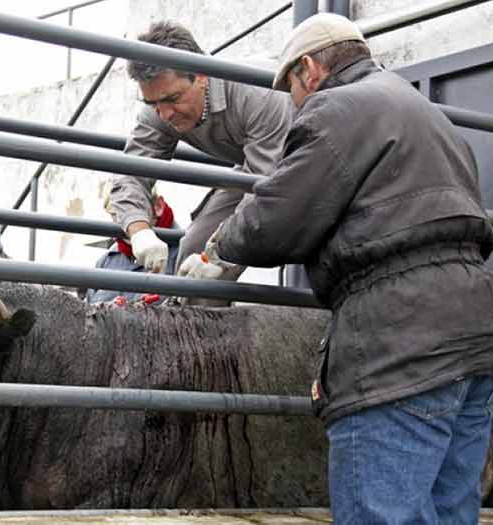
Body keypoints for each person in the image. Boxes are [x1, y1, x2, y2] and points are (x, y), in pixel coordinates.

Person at [190, 13, 493, 523]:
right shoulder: (427, 113)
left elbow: (279, 218)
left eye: (290, 90)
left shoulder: (335, 108)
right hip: (475, 338)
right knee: (450, 513)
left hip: (398, 346)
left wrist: (221, 247)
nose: (293, 105)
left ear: (308, 68)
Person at [107, 21, 294, 304]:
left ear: (202, 75)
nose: (165, 114)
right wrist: (139, 229)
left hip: (310, 164)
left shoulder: (257, 92)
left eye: (173, 98)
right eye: (153, 103)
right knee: (193, 247)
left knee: (213, 258)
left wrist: (216, 256)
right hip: (258, 165)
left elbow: (264, 189)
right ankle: (193, 343)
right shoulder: (158, 110)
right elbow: (131, 172)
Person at [86, 189, 178, 304]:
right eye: (116, 215)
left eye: (134, 212)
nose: (126, 222)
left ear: (158, 206)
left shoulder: (184, 255)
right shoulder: (106, 260)